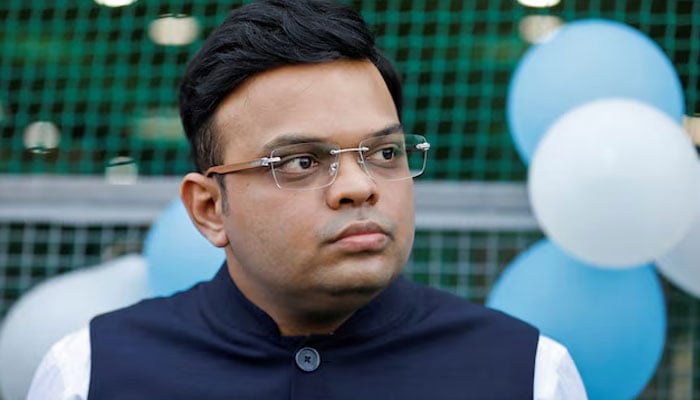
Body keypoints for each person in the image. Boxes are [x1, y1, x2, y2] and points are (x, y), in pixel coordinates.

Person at [28, 0, 587, 398]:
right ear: (209, 208)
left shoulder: (527, 373)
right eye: (301, 162)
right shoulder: (91, 373)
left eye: (385, 153)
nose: (358, 186)